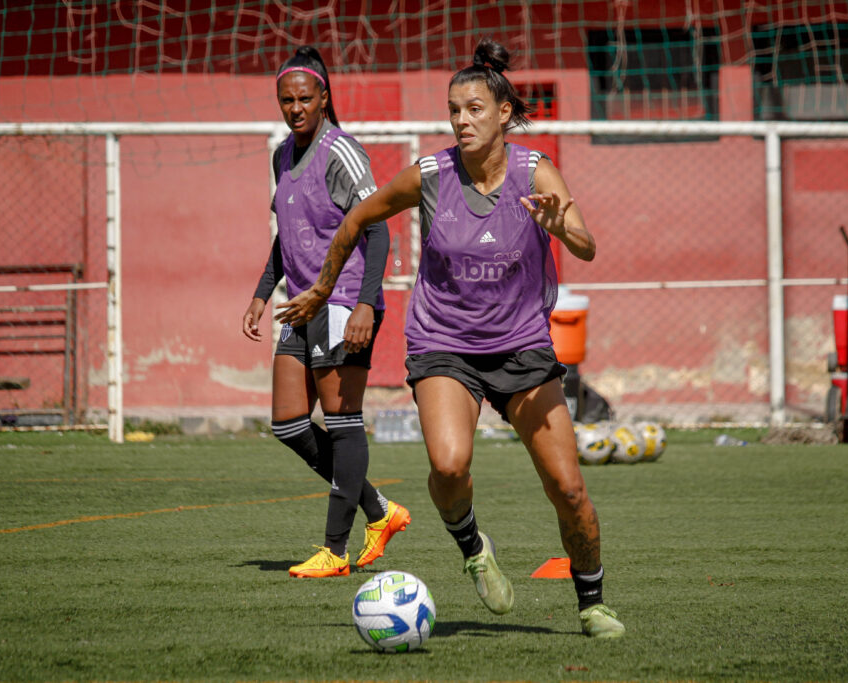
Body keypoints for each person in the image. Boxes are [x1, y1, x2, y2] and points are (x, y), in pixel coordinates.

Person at [278, 38, 625, 637]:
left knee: (568, 489)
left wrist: (558, 224)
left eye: (475, 110)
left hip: (521, 345)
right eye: (454, 111)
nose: (462, 121)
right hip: (444, 343)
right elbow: (360, 217)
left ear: (505, 114)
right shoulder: (431, 174)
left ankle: (592, 603)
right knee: (449, 465)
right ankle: (473, 548)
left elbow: (588, 245)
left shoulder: (534, 170)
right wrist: (321, 287)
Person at [242, 46, 409, 578]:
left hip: (343, 300)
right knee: (289, 424)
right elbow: (285, 238)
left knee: (341, 421)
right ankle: (380, 511)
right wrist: (261, 293)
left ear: (323, 99)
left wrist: (364, 303)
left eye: (304, 99)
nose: (295, 108)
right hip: (301, 301)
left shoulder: (343, 152)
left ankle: (335, 550)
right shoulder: (281, 155)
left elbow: (377, 227)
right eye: (286, 100)